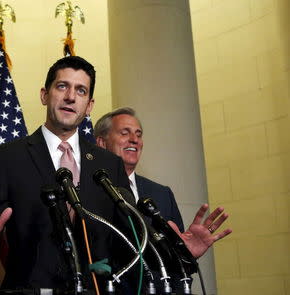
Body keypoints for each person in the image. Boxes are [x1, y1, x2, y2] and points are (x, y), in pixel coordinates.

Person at [0, 56, 131, 294]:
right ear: (44, 95)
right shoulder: (7, 158)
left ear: (89, 106)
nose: (71, 96)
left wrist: (178, 254)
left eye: (81, 91)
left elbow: (128, 244)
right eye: (62, 86)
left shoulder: (110, 165)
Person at [94, 107, 232, 293]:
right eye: (124, 133)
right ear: (101, 142)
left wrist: (186, 254)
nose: (134, 139)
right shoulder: (88, 191)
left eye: (138, 134)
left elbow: (179, 267)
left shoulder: (161, 193)